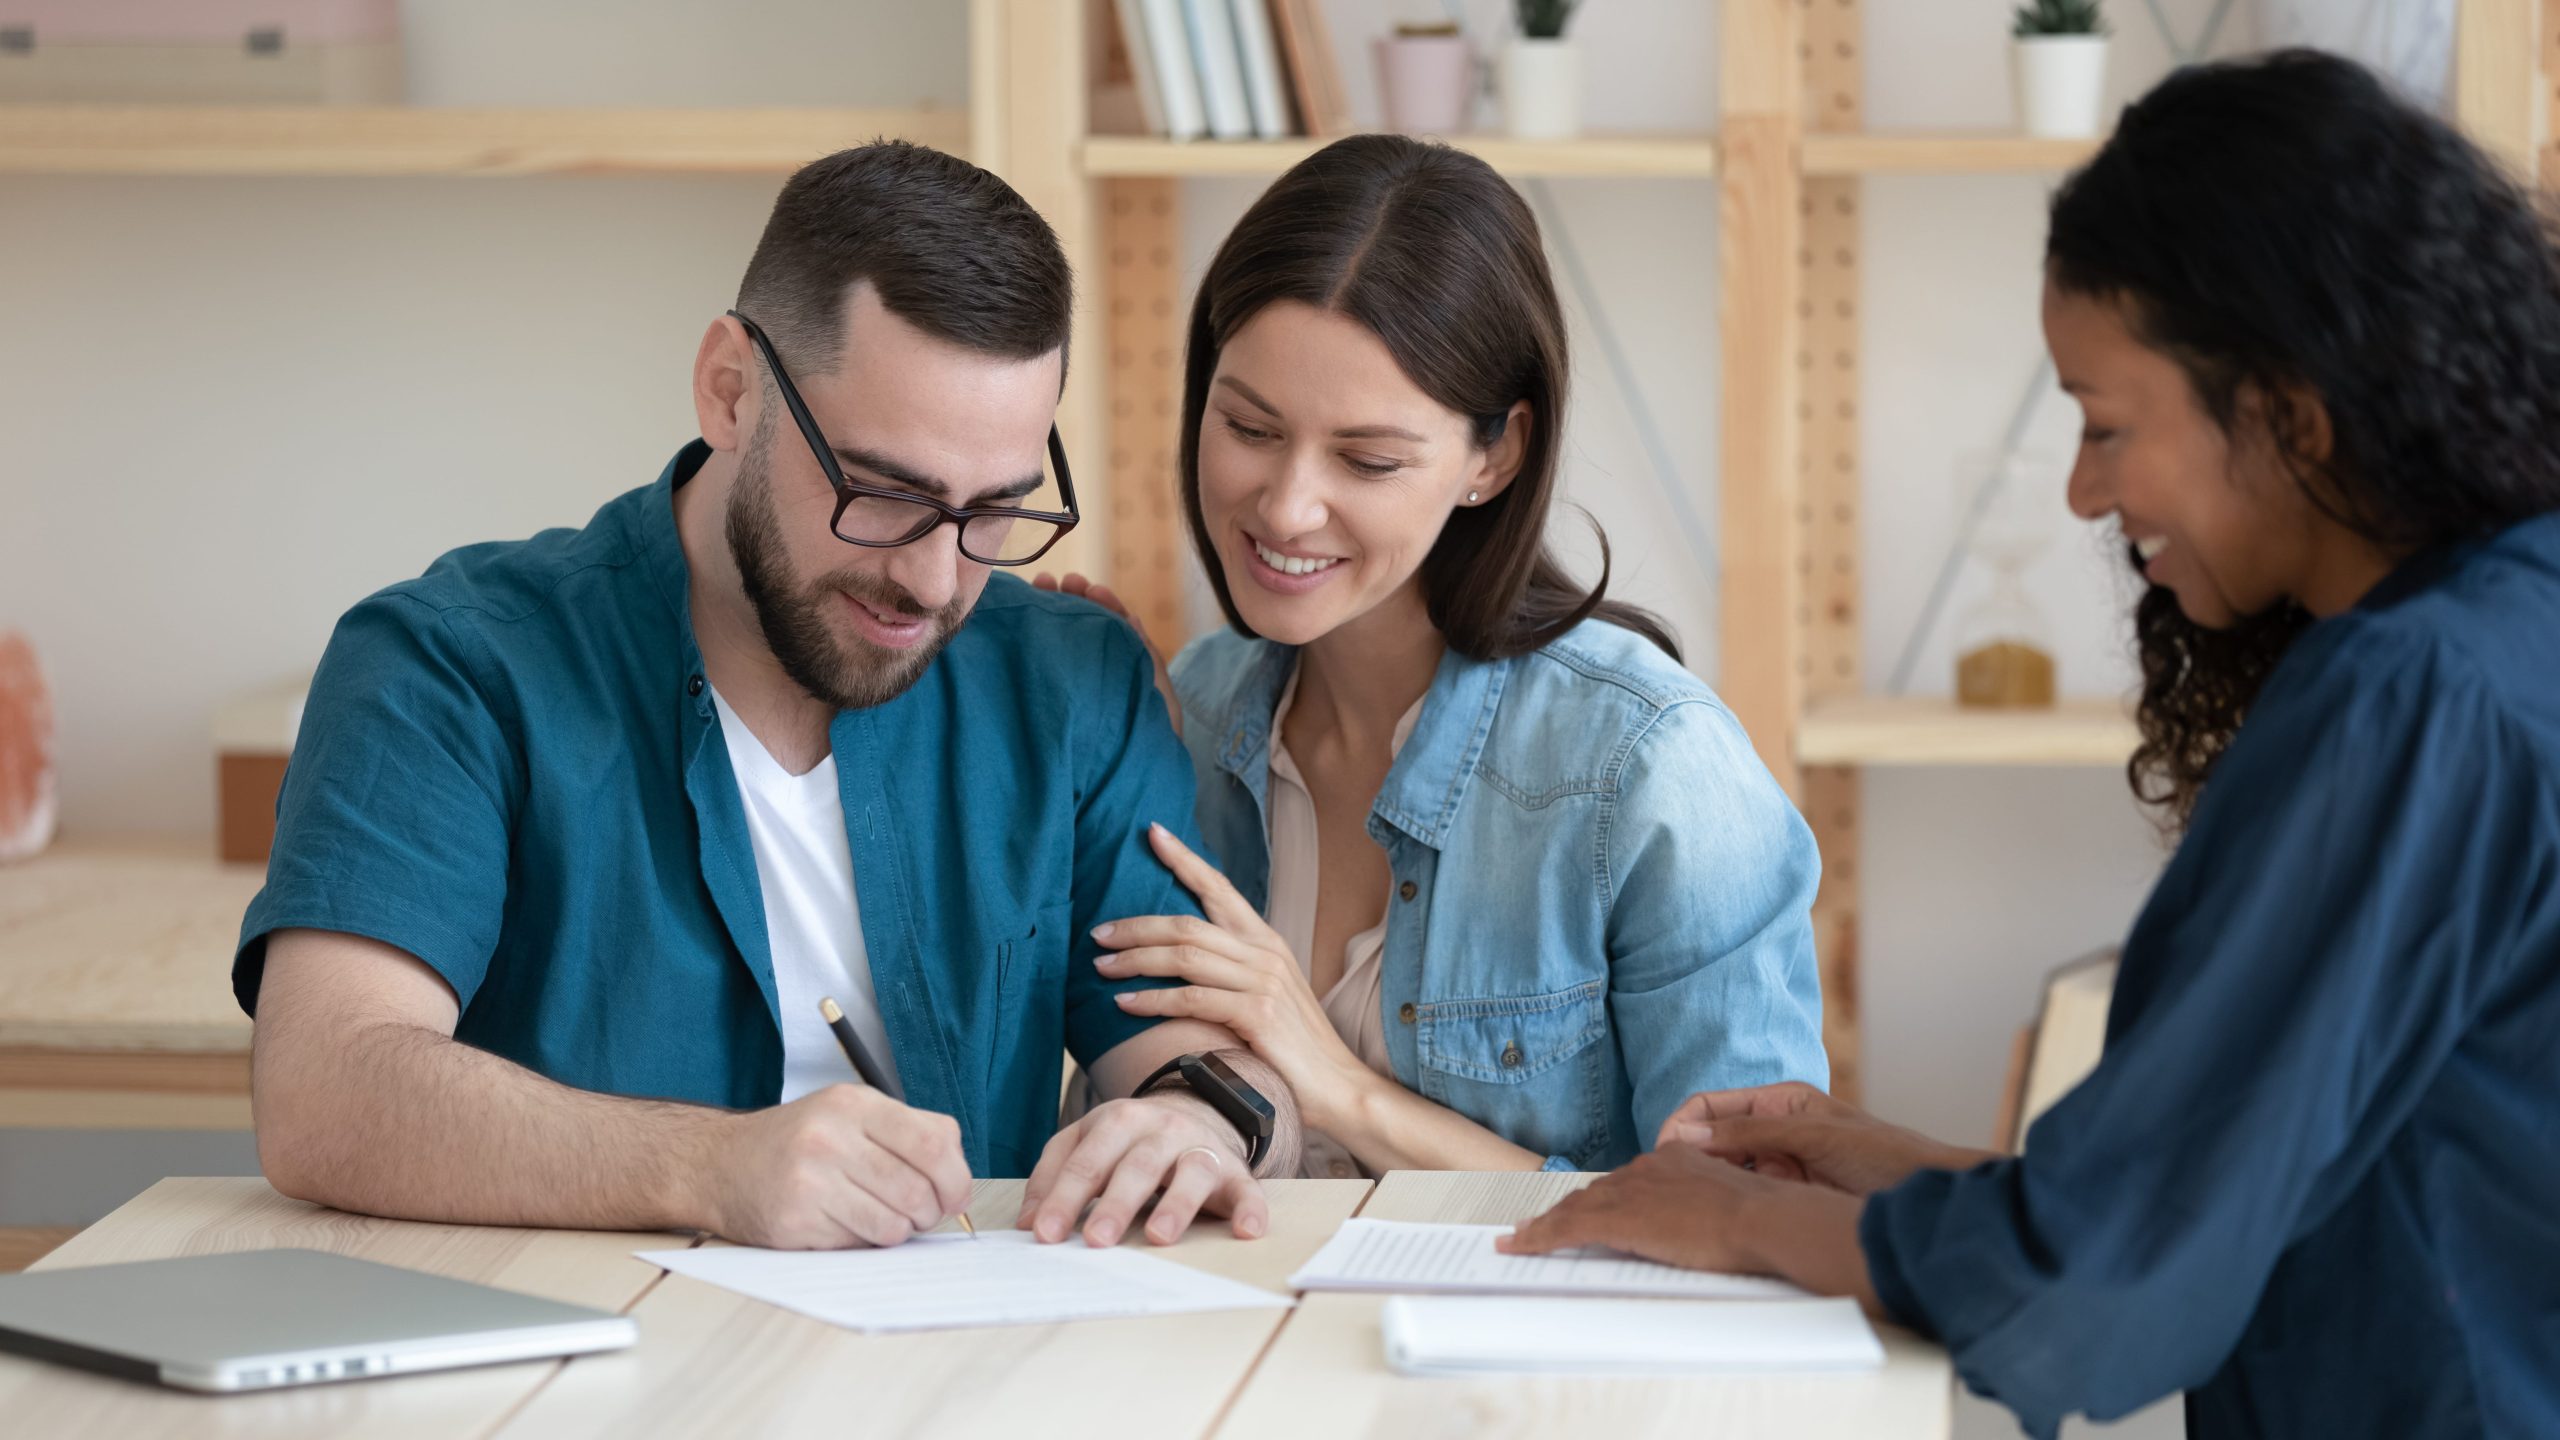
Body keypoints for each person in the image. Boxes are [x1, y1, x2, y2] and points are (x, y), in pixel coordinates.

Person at [1500, 51, 2560, 1440]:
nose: (2080, 489)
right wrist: (1901, 1172)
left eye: (2107, 424)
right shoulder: (2513, 622)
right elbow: (2301, 1183)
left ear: (2293, 408)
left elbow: (2102, 1284)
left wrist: (1735, 1222)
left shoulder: (2411, 698)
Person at [239, 141, 1305, 1255]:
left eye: (994, 511)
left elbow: (1202, 1058)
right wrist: (709, 1163)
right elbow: (325, 1090)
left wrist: (1196, 1122)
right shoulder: (449, 667)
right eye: (885, 493)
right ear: (730, 390)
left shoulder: (1072, 683)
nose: (936, 583)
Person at [1040, 133, 1827, 1180]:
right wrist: (1103, 751)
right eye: (1248, 426)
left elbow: (1748, 1216)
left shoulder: (1650, 772)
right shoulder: (1188, 709)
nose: (1285, 505)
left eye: (1366, 458)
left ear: (1493, 454)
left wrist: (1344, 1093)